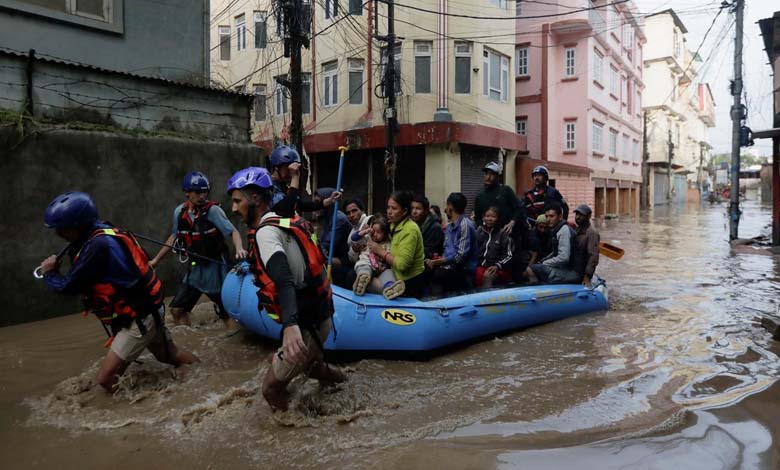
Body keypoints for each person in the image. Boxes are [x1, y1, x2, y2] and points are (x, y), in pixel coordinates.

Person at [38, 192, 199, 393]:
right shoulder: (101, 232)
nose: (59, 233)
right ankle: (205, 373)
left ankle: (141, 415)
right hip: (147, 309)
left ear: (77, 225)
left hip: (139, 316)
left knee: (106, 379)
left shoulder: (98, 246)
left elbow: (68, 286)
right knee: (168, 355)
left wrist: (49, 273)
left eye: (62, 229)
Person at [227, 167, 345, 412]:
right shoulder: (278, 219)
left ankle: (298, 433)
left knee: (270, 388)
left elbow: (284, 279)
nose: (234, 208)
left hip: (306, 322)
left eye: (237, 201)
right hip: (319, 314)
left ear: (256, 199)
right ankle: (344, 382)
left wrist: (290, 326)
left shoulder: (266, 233)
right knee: (312, 367)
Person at [149, 171, 246, 326]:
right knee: (177, 310)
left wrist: (239, 248)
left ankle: (230, 339)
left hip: (215, 270)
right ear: (187, 193)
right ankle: (192, 337)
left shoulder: (213, 211)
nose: (202, 196)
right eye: (197, 192)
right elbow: (173, 237)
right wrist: (155, 261)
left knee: (228, 313)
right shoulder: (179, 212)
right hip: (195, 271)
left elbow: (233, 231)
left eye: (204, 192)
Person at [367, 190, 427, 298]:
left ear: (404, 211)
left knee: (365, 281)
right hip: (394, 274)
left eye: (394, 208)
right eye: (388, 207)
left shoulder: (410, 229)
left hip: (409, 283)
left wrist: (381, 252)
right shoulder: (393, 224)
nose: (389, 212)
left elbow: (402, 265)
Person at [425, 192, 478, 294]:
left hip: (464, 271)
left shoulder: (465, 225)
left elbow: (460, 257)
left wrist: (440, 262)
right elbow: (447, 251)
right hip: (449, 268)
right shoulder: (449, 227)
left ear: (450, 207)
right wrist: (436, 260)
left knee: (435, 275)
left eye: (446, 206)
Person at [268, 144, 340, 217]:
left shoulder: (283, 186)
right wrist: (295, 177)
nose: (291, 172)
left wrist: (328, 201)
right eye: (288, 168)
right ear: (277, 167)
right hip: (268, 226)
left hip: (280, 225)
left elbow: (302, 205)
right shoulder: (269, 186)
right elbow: (287, 210)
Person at [351, 216, 405, 299]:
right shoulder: (367, 238)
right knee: (363, 266)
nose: (375, 234)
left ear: (385, 233)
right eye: (373, 231)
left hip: (381, 269)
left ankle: (390, 289)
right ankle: (362, 279)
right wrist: (365, 231)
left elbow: (389, 258)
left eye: (379, 232)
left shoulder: (387, 244)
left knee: (388, 273)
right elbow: (354, 238)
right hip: (367, 263)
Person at [525, 202, 579, 284]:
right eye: (546, 216)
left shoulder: (564, 230)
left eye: (551, 216)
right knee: (536, 266)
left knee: (530, 269)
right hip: (565, 268)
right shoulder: (557, 230)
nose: (548, 219)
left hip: (571, 272)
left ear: (560, 216)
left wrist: (545, 263)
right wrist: (543, 261)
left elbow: (563, 257)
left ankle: (538, 293)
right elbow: (555, 252)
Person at [474, 161, 521, 231]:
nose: (488, 177)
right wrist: (482, 228)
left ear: (497, 176)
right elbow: (477, 217)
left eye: (491, 174)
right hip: (489, 235)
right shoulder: (480, 196)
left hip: (507, 232)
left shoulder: (506, 190)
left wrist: (512, 222)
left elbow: (518, 208)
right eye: (486, 174)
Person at [475, 206, 514, 288]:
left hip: (498, 268)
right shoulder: (479, 231)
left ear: (498, 218)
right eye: (487, 216)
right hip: (480, 266)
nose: (490, 219)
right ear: (483, 218)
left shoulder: (503, 234)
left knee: (487, 276)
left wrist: (497, 266)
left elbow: (509, 255)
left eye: (493, 217)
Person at [314, 187, 351, 269]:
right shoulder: (325, 218)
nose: (316, 206)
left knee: (317, 260)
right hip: (331, 254)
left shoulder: (338, 219)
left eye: (318, 202)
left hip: (345, 259)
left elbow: (327, 245)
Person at [570, 204, 600, 287]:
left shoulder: (591, 233)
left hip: (580, 273)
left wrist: (587, 277)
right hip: (573, 268)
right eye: (577, 214)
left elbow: (593, 257)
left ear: (589, 216)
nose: (578, 217)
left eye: (581, 215)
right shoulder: (577, 230)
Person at [411, 194, 444, 260]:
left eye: (418, 208)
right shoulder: (412, 224)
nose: (414, 212)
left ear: (426, 211)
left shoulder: (435, 227)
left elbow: (430, 252)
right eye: (412, 208)